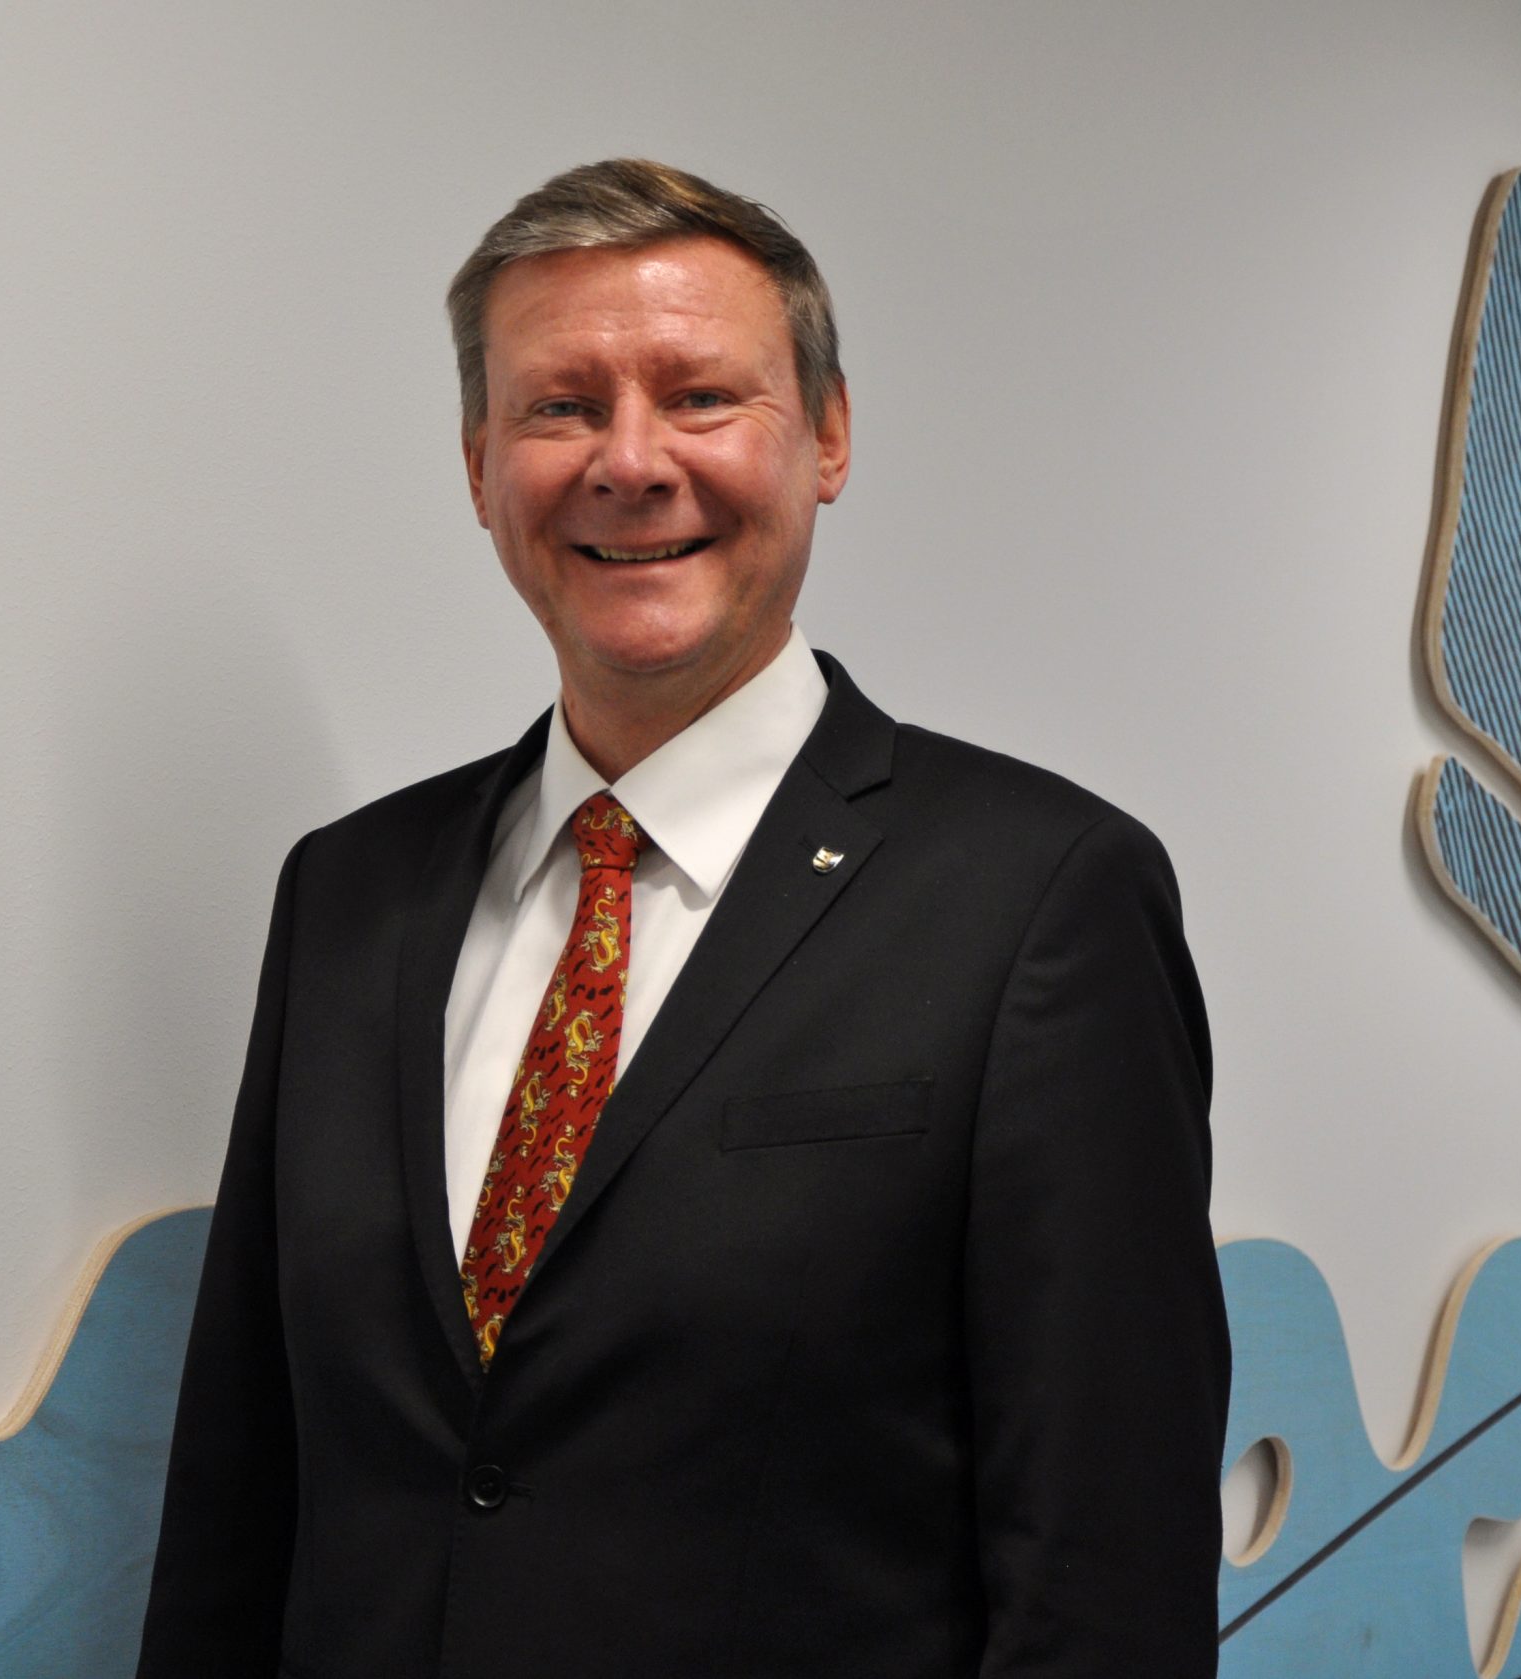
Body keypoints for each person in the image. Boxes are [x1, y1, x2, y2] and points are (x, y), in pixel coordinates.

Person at [135, 157, 1227, 1679]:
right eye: (560, 407)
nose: (631, 462)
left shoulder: (1043, 899)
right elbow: (240, 1495)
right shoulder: (348, 894)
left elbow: (1103, 1576)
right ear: (479, 463)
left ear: (828, 436)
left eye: (702, 398)